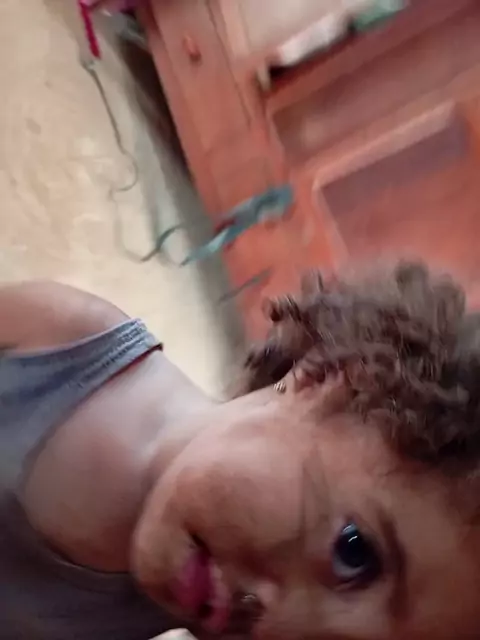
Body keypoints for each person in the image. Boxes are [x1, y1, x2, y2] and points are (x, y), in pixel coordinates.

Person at [1, 262, 480, 640]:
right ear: (336, 379)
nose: (283, 628)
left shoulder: (165, 598)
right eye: (353, 553)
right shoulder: (59, 343)